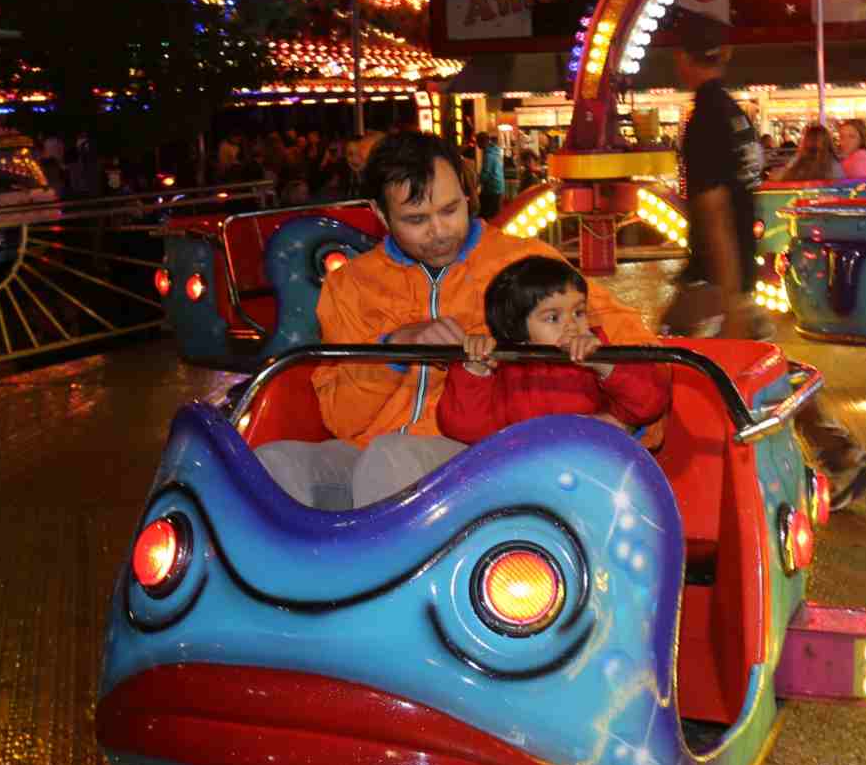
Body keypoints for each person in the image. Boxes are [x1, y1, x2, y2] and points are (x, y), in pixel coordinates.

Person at [254, 131, 655, 509]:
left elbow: (633, 343)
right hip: (367, 451)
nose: (439, 231)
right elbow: (341, 419)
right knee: (270, 465)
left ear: (467, 194)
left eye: (450, 210)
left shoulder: (525, 264)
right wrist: (393, 350)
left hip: (484, 452)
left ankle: (379, 560)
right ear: (380, 213)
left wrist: (619, 425)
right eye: (416, 219)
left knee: (391, 460)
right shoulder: (351, 285)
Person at [658, 7, 866, 508]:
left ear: (683, 58)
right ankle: (841, 454)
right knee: (763, 370)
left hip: (713, 279)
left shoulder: (704, 119)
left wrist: (730, 295)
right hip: (735, 270)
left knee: (667, 364)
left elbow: (714, 208)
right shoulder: (736, 115)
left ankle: (689, 483)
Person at [437, 256, 671, 443]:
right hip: (526, 474)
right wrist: (475, 369)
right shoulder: (503, 370)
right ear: (516, 329)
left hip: (592, 468)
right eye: (553, 317)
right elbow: (464, 430)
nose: (571, 325)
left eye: (578, 312)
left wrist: (605, 364)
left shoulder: (598, 360)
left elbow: (648, 405)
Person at [475, 131, 505, 220]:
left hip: (491, 188)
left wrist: (476, 183)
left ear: (483, 141)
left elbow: (486, 173)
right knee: (494, 214)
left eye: (478, 142)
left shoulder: (489, 155)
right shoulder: (496, 151)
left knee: (485, 214)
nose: (477, 145)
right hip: (498, 186)